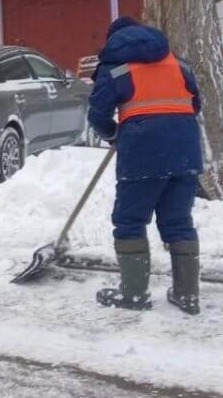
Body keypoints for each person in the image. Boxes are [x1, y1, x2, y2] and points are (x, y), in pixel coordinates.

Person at [86, 16, 204, 315]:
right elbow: (195, 104)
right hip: (186, 151)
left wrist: (114, 133)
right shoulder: (179, 65)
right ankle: (187, 295)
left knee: (130, 221)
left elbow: (97, 115)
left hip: (141, 154)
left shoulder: (116, 69)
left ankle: (134, 295)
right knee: (178, 222)